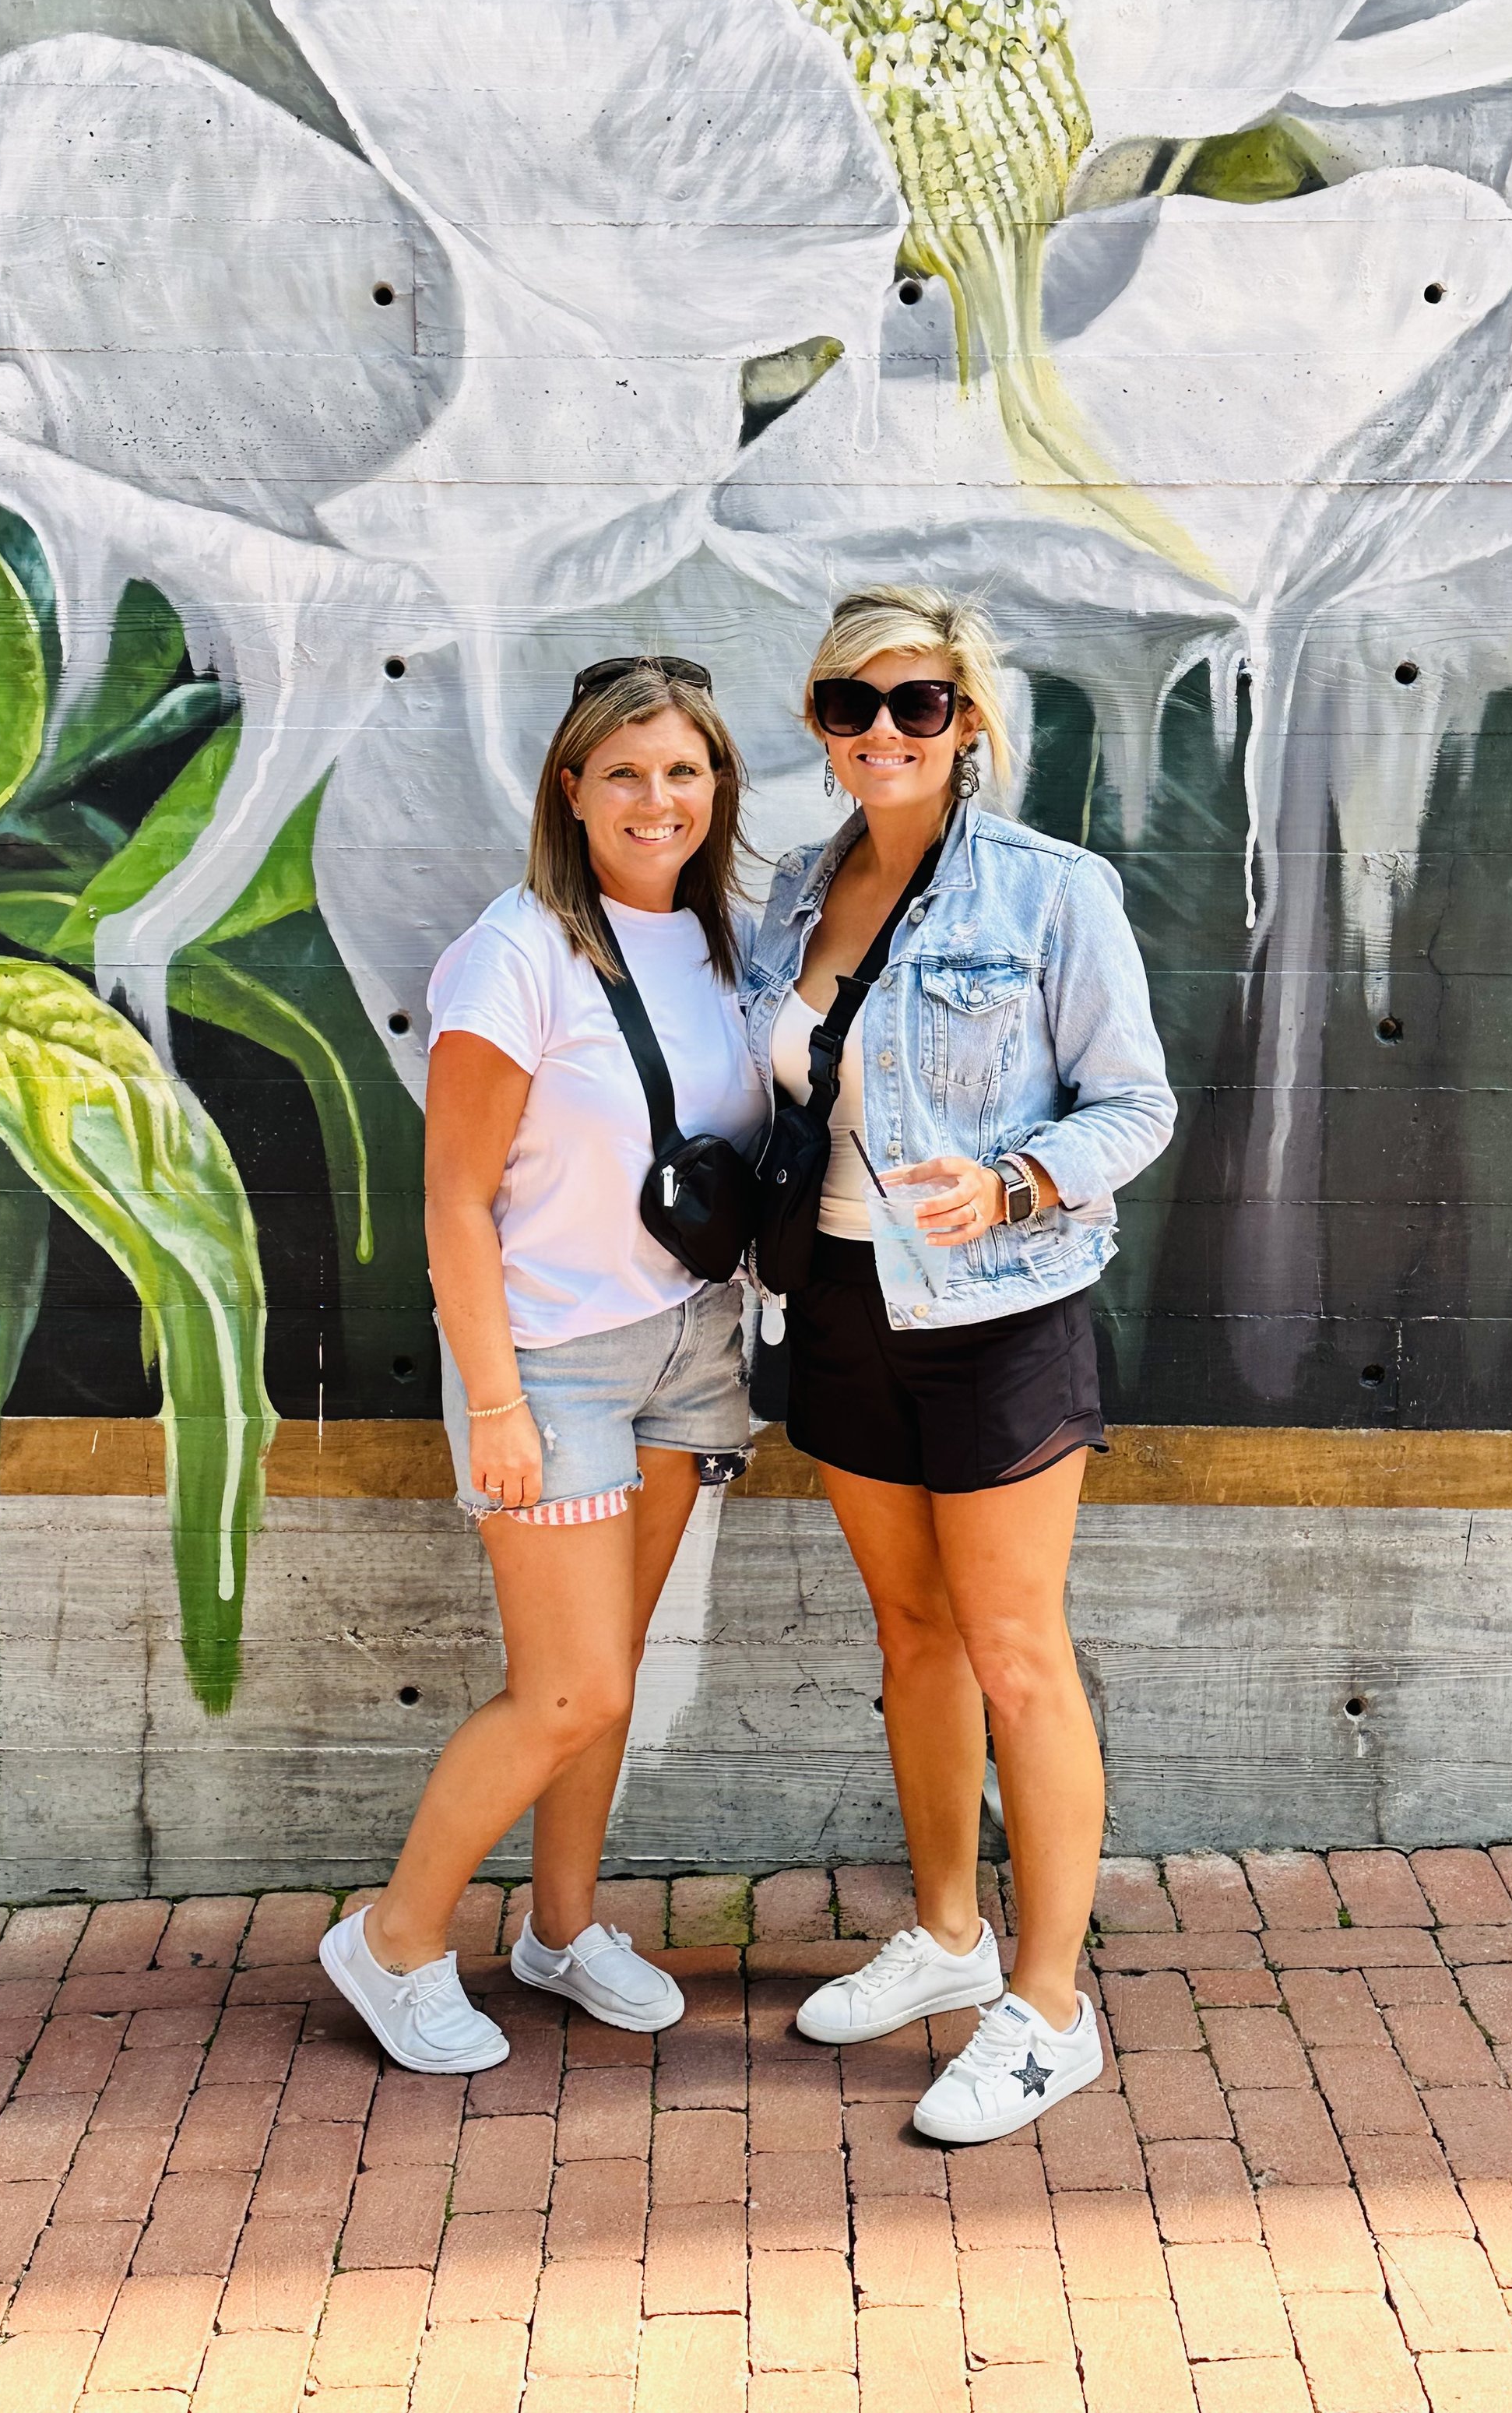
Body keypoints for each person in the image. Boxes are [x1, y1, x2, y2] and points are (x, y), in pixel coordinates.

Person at [743, 585, 1176, 2147]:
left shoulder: (1048, 891)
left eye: (914, 702)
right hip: (840, 1302)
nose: (881, 730)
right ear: (816, 722)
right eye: (848, 704)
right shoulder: (796, 888)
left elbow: (1132, 1105)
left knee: (1013, 1647)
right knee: (910, 1627)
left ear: (966, 716)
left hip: (995, 1308)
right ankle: (944, 1933)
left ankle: (1048, 2008)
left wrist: (1007, 1183)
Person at [321, 656, 767, 2074]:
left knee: (610, 1671)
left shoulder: (723, 944)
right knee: (566, 1686)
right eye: (625, 771)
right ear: (570, 788)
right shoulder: (512, 953)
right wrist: (497, 1398)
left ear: (717, 789)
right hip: (554, 1362)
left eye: (684, 772)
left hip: (689, 1348)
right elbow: (453, 1197)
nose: (658, 799)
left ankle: (561, 1930)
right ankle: (391, 1939)